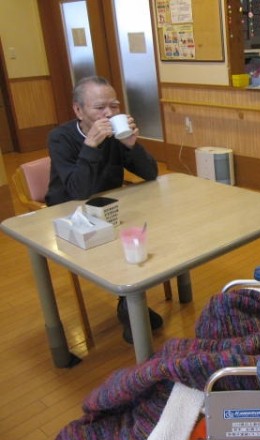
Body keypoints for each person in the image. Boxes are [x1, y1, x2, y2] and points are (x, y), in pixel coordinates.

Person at [46, 75, 162, 344]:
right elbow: (78, 191)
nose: (109, 113)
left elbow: (151, 173)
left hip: (109, 207)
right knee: (119, 247)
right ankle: (129, 304)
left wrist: (131, 145)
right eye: (100, 108)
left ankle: (129, 301)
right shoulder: (60, 138)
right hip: (70, 213)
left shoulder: (115, 135)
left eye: (114, 105)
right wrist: (91, 145)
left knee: (150, 235)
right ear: (78, 110)